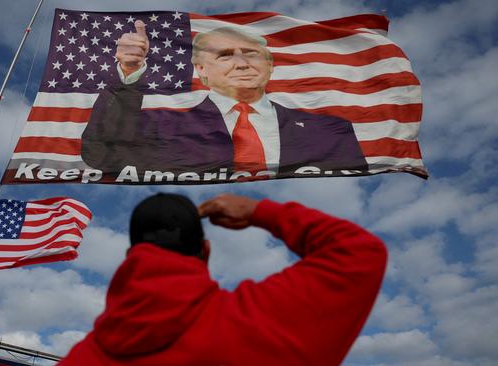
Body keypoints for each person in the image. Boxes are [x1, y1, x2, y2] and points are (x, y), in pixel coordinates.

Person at [58, 193, 387, 365]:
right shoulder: (255, 323)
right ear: (205, 251)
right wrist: (259, 211)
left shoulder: (83, 358)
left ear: (133, 255)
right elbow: (359, 252)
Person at [82, 21, 368, 180]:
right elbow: (100, 152)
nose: (242, 63)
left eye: (251, 53)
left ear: (271, 66)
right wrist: (129, 75)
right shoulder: (162, 126)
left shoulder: (330, 131)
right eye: (225, 55)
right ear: (201, 70)